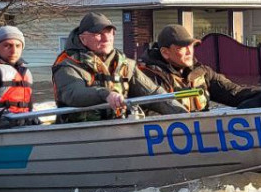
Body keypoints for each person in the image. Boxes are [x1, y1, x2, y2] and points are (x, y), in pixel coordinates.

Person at [51, 12, 186, 122]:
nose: (106, 38)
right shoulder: (67, 65)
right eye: (98, 34)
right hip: (80, 134)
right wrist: (105, 94)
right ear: (83, 39)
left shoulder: (126, 65)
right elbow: (74, 94)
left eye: (109, 32)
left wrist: (184, 115)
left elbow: (153, 94)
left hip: (118, 131)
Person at [139, 24, 261, 111]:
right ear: (165, 52)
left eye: (191, 46)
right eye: (181, 47)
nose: (189, 52)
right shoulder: (146, 76)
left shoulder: (203, 73)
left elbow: (234, 93)